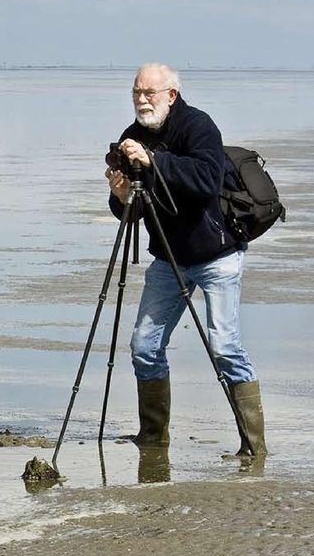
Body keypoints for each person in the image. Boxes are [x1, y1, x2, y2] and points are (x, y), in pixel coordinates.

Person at [104, 62, 266, 457]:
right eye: (136, 93)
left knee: (225, 347)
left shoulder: (198, 126)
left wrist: (154, 159)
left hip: (217, 255)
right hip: (168, 258)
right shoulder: (132, 136)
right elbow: (132, 210)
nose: (142, 100)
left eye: (150, 93)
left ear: (171, 95)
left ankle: (254, 446)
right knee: (144, 345)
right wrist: (122, 194)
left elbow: (206, 181)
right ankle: (153, 438)